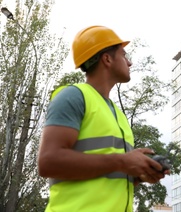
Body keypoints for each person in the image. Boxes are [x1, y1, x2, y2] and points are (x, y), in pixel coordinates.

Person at [38, 25, 168, 212]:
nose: (129, 62)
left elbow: (102, 177)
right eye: (124, 55)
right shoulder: (73, 97)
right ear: (107, 59)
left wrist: (137, 175)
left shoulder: (117, 114)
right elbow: (48, 162)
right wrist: (122, 162)